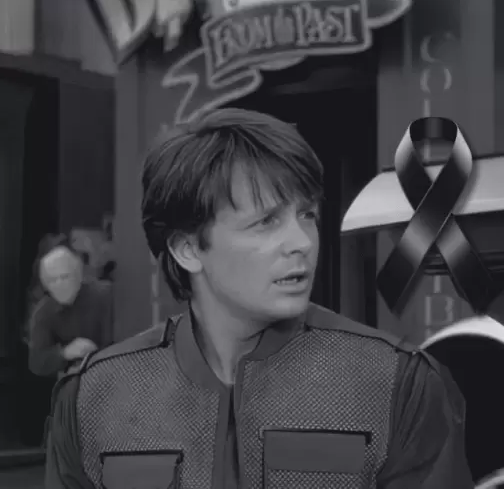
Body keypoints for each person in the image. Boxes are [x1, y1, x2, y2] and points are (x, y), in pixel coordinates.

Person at [45, 108, 474, 488]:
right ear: (188, 249)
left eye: (307, 214)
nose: (302, 242)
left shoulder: (397, 385)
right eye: (266, 222)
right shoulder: (92, 399)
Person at [28, 236, 113, 378]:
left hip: (114, 371)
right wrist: (65, 353)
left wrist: (97, 354)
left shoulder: (105, 295)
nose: (60, 284)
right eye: (52, 280)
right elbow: (36, 362)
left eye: (65, 277)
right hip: (76, 380)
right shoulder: (43, 312)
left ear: (78, 275)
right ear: (46, 285)